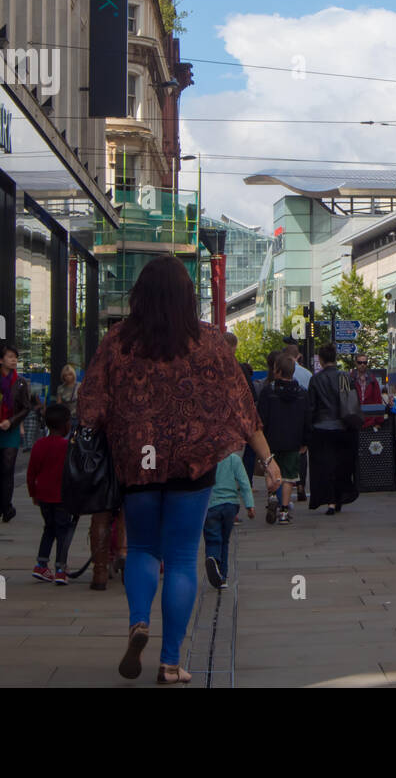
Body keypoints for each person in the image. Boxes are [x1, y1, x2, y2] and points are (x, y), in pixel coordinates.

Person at [77, 255, 280, 685]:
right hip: (192, 463)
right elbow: (242, 406)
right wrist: (268, 459)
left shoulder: (117, 341)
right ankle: (170, 662)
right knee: (184, 557)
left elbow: (90, 405)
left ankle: (137, 621)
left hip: (139, 464)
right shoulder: (208, 342)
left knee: (144, 549)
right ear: (188, 296)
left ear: (140, 295)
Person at [0, 342, 33, 523]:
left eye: (15, 358)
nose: (14, 360)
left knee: (8, 467)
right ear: (0, 360)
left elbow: (26, 407)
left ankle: (6, 505)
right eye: (10, 357)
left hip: (11, 428)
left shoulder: (21, 382)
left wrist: (11, 422)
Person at [257, 353, 310, 524]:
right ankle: (284, 511)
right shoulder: (302, 393)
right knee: (289, 476)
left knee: (270, 470)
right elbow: (306, 419)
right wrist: (305, 441)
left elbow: (261, 418)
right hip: (293, 440)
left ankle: (272, 496)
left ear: (277, 371)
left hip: (271, 440)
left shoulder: (268, 391)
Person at [306, 342, 358, 515]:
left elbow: (311, 407)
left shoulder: (316, 379)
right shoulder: (344, 377)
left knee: (324, 466)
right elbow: (352, 402)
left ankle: (329, 501)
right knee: (341, 465)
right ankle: (339, 497)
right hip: (342, 427)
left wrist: (308, 429)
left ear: (320, 360)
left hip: (321, 428)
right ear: (335, 358)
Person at [28, 402, 74, 585]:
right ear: (65, 425)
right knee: (63, 531)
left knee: (49, 528)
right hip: (62, 496)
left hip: (43, 496)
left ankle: (41, 564)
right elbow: (72, 474)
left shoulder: (39, 444)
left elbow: (31, 473)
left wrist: (33, 494)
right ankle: (61, 569)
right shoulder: (67, 446)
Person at [203, 449, 255, 589]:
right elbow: (244, 482)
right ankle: (223, 576)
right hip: (230, 506)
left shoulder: (206, 458)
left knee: (213, 538)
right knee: (225, 541)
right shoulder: (234, 459)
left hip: (211, 505)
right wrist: (249, 505)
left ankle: (213, 558)